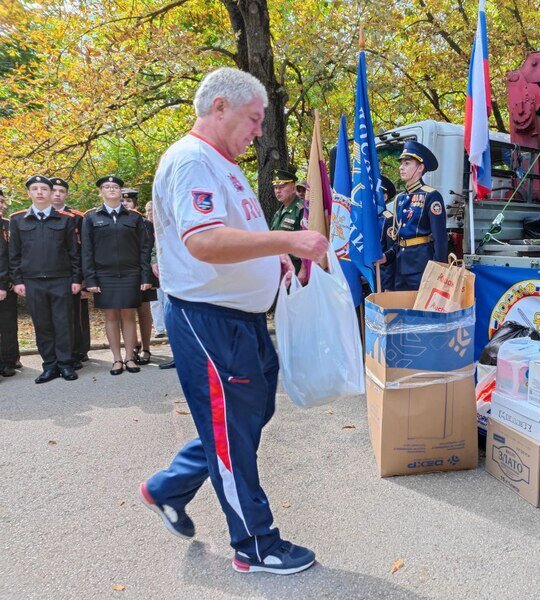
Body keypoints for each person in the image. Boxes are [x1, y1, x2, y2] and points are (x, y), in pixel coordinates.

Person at [141, 66, 327, 575]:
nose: (259, 130)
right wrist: (288, 241)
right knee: (231, 430)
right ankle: (255, 543)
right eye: (254, 117)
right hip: (210, 320)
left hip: (239, 320)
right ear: (220, 107)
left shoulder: (223, 164)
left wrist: (274, 260)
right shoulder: (193, 160)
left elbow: (237, 233)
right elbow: (203, 241)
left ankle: (168, 487)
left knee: (244, 418)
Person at [8, 176, 82, 383]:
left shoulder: (65, 219)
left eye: (44, 189)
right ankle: (49, 366)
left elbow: (73, 252)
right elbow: (14, 254)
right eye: (35, 188)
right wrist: (18, 281)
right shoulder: (18, 220)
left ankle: (66, 365)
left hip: (62, 279)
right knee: (43, 325)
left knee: (64, 323)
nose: (40, 192)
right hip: (32, 282)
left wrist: (77, 278)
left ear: (50, 193)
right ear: (29, 193)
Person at [82, 176, 153, 375]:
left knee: (129, 315)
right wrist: (90, 279)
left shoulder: (134, 217)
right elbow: (86, 250)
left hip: (131, 273)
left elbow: (144, 248)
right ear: (100, 192)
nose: (111, 189)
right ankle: (116, 359)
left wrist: (145, 276)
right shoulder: (91, 217)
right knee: (111, 316)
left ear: (121, 192)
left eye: (115, 187)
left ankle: (130, 358)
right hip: (104, 274)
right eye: (107, 187)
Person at [379, 140, 447, 291]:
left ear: (420, 168)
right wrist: (386, 257)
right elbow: (398, 242)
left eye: (407, 163)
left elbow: (440, 239)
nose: (401, 168)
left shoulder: (431, 196)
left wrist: (438, 273)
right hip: (400, 268)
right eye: (401, 164)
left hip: (422, 268)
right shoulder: (399, 199)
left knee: (421, 313)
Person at [51, 177, 90, 367]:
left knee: (76, 316)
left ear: (66, 194)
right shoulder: (36, 215)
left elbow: (85, 249)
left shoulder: (77, 217)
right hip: (50, 275)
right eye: (54, 190)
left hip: (73, 275)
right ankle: (57, 354)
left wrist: (83, 278)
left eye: (61, 191)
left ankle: (79, 351)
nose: (57, 194)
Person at [121, 188, 157, 365]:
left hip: (143, 272)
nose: (125, 204)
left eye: (128, 201)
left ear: (135, 203)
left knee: (144, 311)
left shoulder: (145, 223)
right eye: (122, 201)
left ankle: (146, 348)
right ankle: (132, 346)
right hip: (123, 273)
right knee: (126, 312)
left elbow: (150, 248)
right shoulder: (114, 221)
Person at [0, 189, 20, 377]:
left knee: (8, 324)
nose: (2, 205)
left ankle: (10, 359)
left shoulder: (8, 226)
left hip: (7, 284)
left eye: (2, 201)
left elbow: (13, 256)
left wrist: (10, 281)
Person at [269, 169, 304, 274]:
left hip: (296, 267)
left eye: (282, 187)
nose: (278, 191)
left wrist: (304, 268)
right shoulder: (280, 211)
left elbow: (307, 240)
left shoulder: (301, 210)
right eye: (276, 187)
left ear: (293, 189)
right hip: (281, 264)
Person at [145, 201, 167, 339]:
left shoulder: (165, 227)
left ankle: (170, 326)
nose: (151, 214)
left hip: (165, 268)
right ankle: (159, 328)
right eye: (148, 211)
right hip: (150, 269)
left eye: (153, 211)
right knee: (155, 301)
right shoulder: (144, 227)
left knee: (167, 299)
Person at [377, 175, 397, 292]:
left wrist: (388, 286)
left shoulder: (388, 219)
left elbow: (391, 254)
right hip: (360, 277)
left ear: (384, 197)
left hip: (380, 279)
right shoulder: (361, 219)